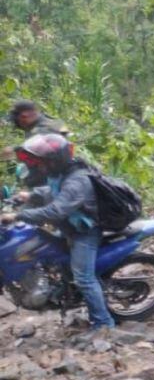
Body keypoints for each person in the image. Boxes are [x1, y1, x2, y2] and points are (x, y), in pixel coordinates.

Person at [0, 134, 115, 331]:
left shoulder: (77, 180)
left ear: (55, 160)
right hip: (68, 226)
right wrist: (29, 195)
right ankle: (63, 291)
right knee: (49, 256)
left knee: (84, 278)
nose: (39, 166)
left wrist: (18, 215)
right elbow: (54, 191)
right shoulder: (63, 173)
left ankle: (104, 323)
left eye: (42, 162)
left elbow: (55, 211)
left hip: (84, 232)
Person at [3, 100, 69, 161]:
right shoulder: (48, 120)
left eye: (19, 120)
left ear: (24, 116)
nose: (19, 123)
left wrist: (14, 149)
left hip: (55, 165)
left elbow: (38, 143)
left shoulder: (43, 127)